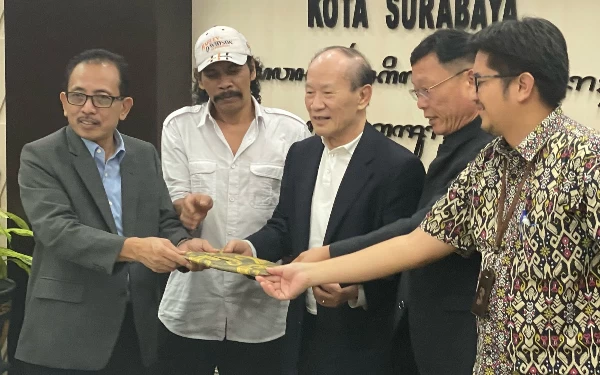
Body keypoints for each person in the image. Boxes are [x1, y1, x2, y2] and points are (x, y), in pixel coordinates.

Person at [257, 17, 600, 375]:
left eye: (480, 81)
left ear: (522, 86)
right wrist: (307, 273)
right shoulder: (489, 164)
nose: (473, 93)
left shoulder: (587, 162)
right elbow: (416, 243)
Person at [296, 30, 494, 375]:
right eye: (310, 92)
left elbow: (421, 229)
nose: (420, 103)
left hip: (455, 343)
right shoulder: (456, 142)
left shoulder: (483, 151)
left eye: (427, 90)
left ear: (469, 80)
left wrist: (326, 258)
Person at [224, 46, 425, 375]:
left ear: (363, 96)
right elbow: (285, 226)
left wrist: (356, 291)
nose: (316, 104)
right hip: (300, 330)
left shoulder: (398, 167)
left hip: (363, 340)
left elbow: (403, 255)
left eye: (328, 93)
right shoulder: (301, 154)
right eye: (309, 92)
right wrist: (249, 248)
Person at [15, 49, 211, 375]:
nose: (88, 108)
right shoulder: (41, 156)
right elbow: (57, 231)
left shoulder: (143, 154)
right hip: (65, 337)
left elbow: (163, 217)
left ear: (125, 107)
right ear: (64, 101)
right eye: (78, 96)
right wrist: (134, 249)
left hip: (136, 328)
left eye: (102, 98)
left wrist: (183, 244)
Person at [158, 26, 310, 375]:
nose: (224, 82)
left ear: (252, 70)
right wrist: (186, 209)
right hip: (192, 306)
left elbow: (293, 217)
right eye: (212, 74)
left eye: (233, 71)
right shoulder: (178, 128)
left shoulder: (290, 132)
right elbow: (169, 206)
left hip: (263, 308)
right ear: (200, 81)